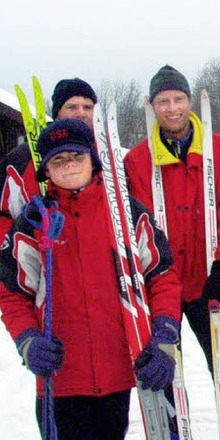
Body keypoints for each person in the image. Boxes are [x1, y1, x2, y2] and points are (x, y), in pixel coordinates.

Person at [0, 118, 182, 439]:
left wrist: (165, 337)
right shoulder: (35, 221)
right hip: (60, 376)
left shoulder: (128, 213)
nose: (69, 165)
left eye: (77, 157)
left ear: (93, 161)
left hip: (117, 371)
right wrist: (28, 341)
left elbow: (162, 276)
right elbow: (12, 291)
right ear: (46, 170)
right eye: (59, 160)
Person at [124, 65, 220, 439]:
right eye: (163, 101)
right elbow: (139, 220)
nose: (172, 108)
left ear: (190, 100)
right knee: (164, 373)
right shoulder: (138, 159)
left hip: (210, 280)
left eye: (178, 98)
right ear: (152, 105)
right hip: (161, 288)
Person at [0, 77, 97, 240]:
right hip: (38, 253)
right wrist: (18, 243)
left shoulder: (108, 155)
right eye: (72, 107)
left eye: (87, 107)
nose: (81, 113)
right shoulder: (23, 157)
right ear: (57, 113)